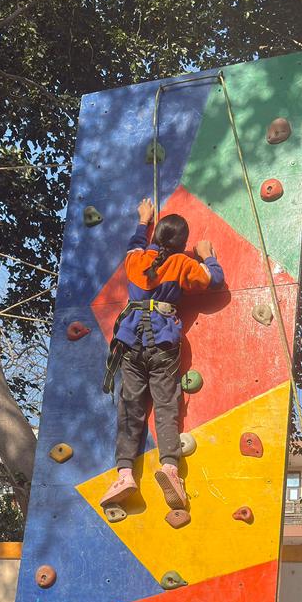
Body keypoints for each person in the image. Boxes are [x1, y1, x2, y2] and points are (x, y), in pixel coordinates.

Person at [100, 197, 224, 511]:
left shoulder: (136, 259)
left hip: (131, 341)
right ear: (183, 244)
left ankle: (125, 474)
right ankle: (170, 468)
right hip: (163, 341)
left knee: (130, 408)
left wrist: (143, 220)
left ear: (155, 237)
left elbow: (134, 244)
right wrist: (207, 256)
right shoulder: (183, 264)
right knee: (167, 406)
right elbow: (215, 280)